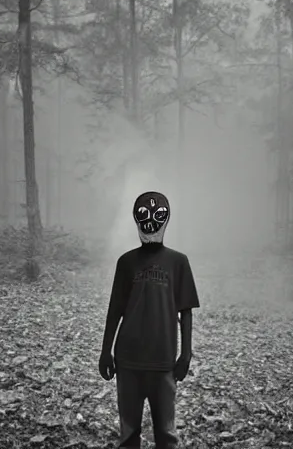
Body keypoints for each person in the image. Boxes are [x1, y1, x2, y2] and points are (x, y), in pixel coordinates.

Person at [99, 191, 200, 449]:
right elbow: (115, 310)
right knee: (128, 434)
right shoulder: (126, 262)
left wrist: (186, 356)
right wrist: (105, 352)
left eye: (158, 215)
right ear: (136, 218)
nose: (151, 221)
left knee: (166, 435)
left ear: (166, 219)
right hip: (128, 362)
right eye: (144, 214)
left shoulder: (178, 262)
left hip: (163, 362)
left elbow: (186, 310)